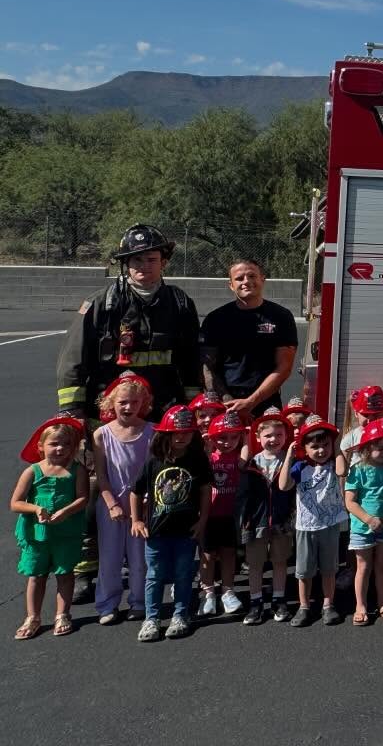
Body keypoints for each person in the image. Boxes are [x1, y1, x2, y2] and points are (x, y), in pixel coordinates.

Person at [57, 224, 202, 418]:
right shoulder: (101, 303)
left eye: (152, 259)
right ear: (126, 263)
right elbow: (74, 359)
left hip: (164, 408)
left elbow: (191, 358)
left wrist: (193, 403)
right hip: (112, 407)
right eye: (137, 259)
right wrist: (72, 408)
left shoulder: (180, 303)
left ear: (164, 262)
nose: (144, 265)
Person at [130, 405, 212, 641]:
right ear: (164, 433)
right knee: (154, 575)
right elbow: (135, 492)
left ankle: (180, 614)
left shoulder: (198, 460)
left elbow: (206, 490)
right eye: (176, 431)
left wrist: (203, 519)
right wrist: (136, 519)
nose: (181, 436)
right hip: (156, 531)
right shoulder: (153, 462)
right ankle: (152, 618)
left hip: (186, 531)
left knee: (183, 574)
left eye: (187, 431)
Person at [12, 416, 89, 639]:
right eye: (54, 443)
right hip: (38, 534)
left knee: (65, 573)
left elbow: (83, 497)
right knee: (36, 575)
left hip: (66, 533)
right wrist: (36, 509)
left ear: (74, 447)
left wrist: (66, 511)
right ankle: (33, 617)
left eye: (66, 444)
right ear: (41, 446)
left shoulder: (77, 470)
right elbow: (16, 502)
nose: (60, 448)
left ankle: (62, 614)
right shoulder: (33, 471)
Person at [92, 372, 155, 625]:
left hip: (142, 503)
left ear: (143, 404)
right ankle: (108, 604)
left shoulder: (151, 431)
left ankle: (139, 602)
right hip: (112, 504)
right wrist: (112, 504)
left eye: (134, 402)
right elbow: (101, 475)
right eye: (122, 403)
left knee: (139, 556)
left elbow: (152, 472)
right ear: (110, 404)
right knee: (109, 557)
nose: (129, 407)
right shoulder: (101, 435)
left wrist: (146, 500)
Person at [198, 259, 298, 417]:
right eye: (239, 278)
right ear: (231, 285)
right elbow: (207, 368)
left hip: (266, 403)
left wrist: (251, 402)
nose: (246, 281)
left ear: (262, 279)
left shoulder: (281, 317)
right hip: (226, 406)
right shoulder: (215, 319)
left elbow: (284, 367)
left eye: (252, 276)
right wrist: (227, 402)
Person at [279, 413, 348, 627]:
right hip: (306, 526)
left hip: (329, 524)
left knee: (329, 568)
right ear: (305, 448)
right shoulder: (301, 466)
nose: (321, 451)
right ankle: (304, 606)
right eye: (315, 447)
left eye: (325, 445)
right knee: (304, 570)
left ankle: (328, 605)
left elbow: (342, 470)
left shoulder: (332, 464)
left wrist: (335, 445)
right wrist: (290, 457)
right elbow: (283, 486)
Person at [237, 406, 294, 623]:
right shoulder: (251, 463)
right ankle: (256, 602)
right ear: (258, 437)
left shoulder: (290, 461)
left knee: (280, 562)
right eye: (268, 435)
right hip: (256, 522)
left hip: (280, 521)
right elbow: (244, 496)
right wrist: (244, 521)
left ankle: (279, 600)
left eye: (279, 435)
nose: (273, 439)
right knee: (255, 564)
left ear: (286, 436)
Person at [345, 418, 383, 625]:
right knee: (363, 566)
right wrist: (368, 519)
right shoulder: (357, 470)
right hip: (362, 526)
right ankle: (361, 605)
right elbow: (350, 502)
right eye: (379, 448)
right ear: (367, 448)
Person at [198, 410, 247, 617]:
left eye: (234, 437)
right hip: (209, 516)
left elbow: (245, 457)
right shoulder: (209, 458)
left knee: (229, 554)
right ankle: (208, 593)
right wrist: (208, 446)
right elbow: (201, 468)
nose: (228, 442)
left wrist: (245, 438)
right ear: (212, 438)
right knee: (207, 556)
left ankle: (228, 591)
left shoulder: (238, 459)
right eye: (222, 437)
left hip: (230, 516)